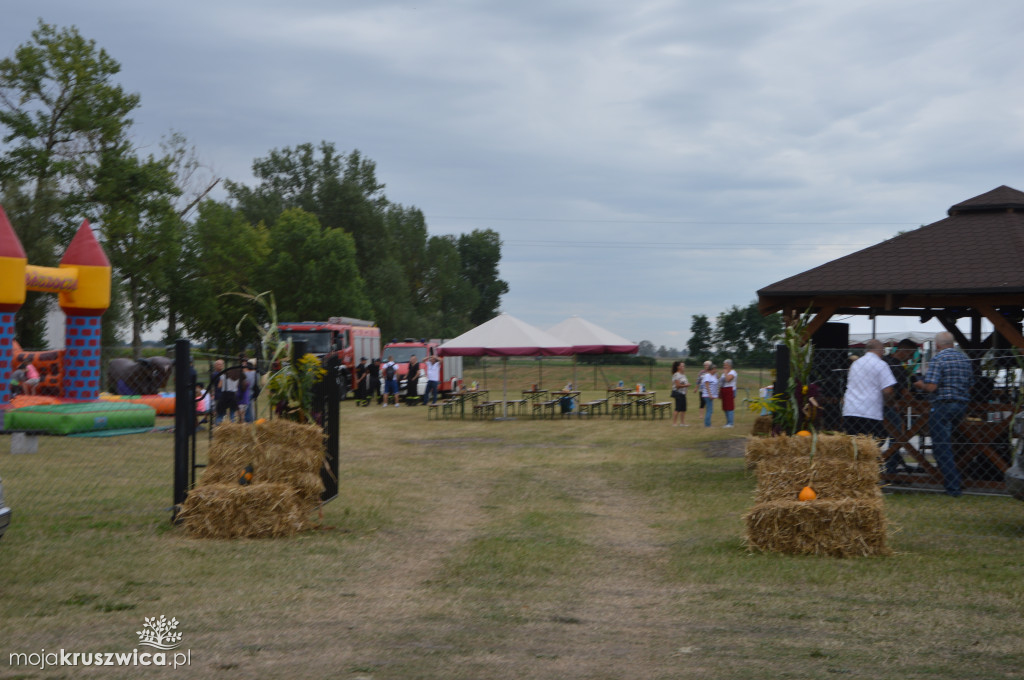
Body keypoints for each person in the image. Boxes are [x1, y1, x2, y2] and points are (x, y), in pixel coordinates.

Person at [914, 332, 973, 497]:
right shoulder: (965, 359)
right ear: (952, 343)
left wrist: (920, 384)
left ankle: (953, 486)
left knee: (941, 446)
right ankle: (960, 477)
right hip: (961, 405)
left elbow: (931, 387)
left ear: (937, 345)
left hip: (943, 405)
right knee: (955, 443)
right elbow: (971, 385)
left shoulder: (938, 359)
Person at [842, 339, 896, 441]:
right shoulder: (881, 364)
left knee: (853, 444)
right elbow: (888, 390)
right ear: (881, 350)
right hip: (870, 411)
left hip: (851, 409)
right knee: (874, 442)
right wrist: (890, 402)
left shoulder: (855, 364)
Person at [881, 339, 919, 473]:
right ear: (904, 351)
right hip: (890, 406)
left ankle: (875, 463)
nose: (910, 358)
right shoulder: (898, 368)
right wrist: (916, 405)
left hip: (876, 405)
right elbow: (904, 392)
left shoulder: (883, 361)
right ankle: (890, 469)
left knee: (878, 437)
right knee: (897, 437)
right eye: (911, 354)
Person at [719, 359, 738, 428]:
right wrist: (720, 392)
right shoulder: (723, 374)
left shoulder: (733, 372)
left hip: (730, 390)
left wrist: (725, 373)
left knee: (729, 407)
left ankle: (731, 423)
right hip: (724, 390)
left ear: (729, 366)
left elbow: (728, 379)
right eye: (724, 365)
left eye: (725, 365)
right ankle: (728, 422)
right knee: (725, 407)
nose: (724, 366)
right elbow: (721, 383)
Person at [670, 360, 689, 427]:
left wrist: (686, 388)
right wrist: (686, 385)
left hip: (683, 393)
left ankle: (682, 423)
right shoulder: (676, 375)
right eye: (682, 366)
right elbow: (677, 386)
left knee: (683, 409)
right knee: (678, 408)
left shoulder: (683, 375)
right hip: (678, 393)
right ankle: (674, 423)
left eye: (684, 366)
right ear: (678, 367)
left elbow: (684, 382)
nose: (683, 367)